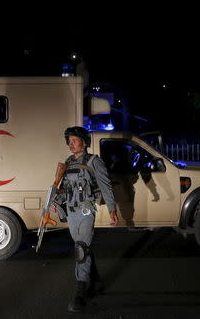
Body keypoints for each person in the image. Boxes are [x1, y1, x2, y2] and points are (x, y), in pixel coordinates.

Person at [51, 126, 118, 313]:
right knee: (84, 248)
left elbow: (106, 186)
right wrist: (56, 201)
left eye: (74, 140)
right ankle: (95, 280)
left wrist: (112, 208)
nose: (70, 144)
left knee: (81, 248)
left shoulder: (94, 161)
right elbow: (64, 190)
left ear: (84, 142)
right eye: (69, 140)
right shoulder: (66, 163)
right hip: (71, 213)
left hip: (86, 211)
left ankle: (79, 293)